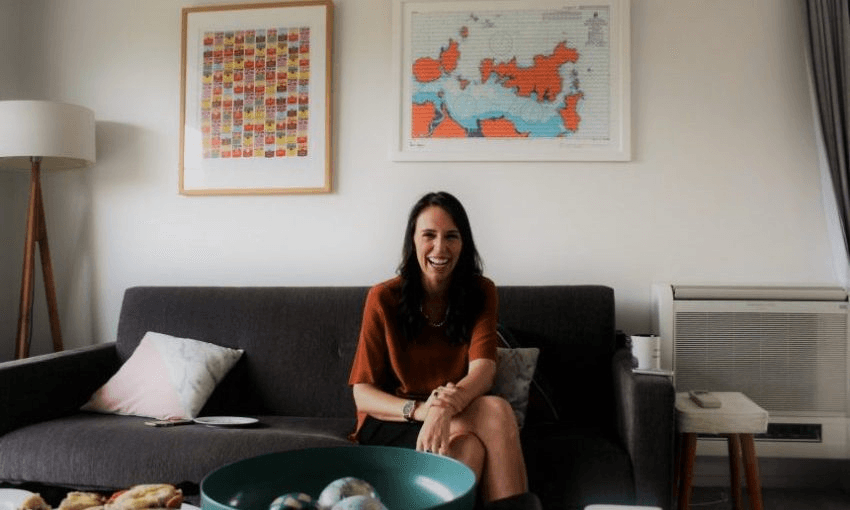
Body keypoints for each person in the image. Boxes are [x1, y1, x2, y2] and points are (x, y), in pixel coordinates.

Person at [348, 191, 528, 503]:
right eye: (429, 235)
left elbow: (483, 370)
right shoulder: (383, 298)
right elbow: (362, 392)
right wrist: (421, 411)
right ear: (413, 241)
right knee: (494, 413)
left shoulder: (481, 292)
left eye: (451, 236)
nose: (440, 248)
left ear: (464, 243)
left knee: (475, 438)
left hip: (455, 410)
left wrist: (443, 406)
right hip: (394, 419)